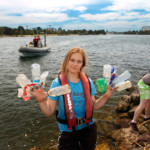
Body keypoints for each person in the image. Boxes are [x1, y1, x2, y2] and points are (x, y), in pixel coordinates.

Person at [30, 47, 114, 150]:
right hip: (67, 131)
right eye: (72, 60)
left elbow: (94, 106)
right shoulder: (57, 83)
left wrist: (105, 96)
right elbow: (49, 112)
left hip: (88, 129)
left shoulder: (88, 81)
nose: (75, 64)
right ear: (66, 61)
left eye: (79, 61)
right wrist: (42, 101)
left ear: (82, 64)